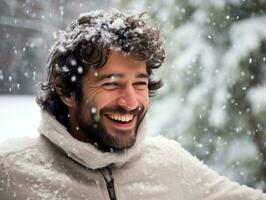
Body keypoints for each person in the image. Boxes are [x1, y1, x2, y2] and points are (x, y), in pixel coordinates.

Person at [0, 9, 265, 200]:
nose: (130, 102)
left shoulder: (172, 165)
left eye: (139, 83)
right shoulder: (11, 173)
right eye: (111, 83)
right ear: (65, 90)